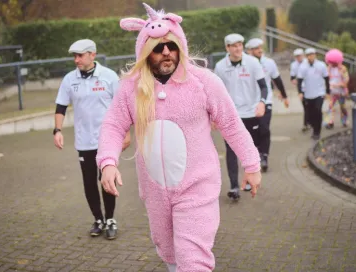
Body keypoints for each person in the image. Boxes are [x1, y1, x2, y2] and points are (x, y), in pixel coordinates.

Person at [96, 3, 262, 271]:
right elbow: (113, 125)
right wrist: (107, 162)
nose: (166, 52)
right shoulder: (132, 87)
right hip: (155, 191)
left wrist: (252, 165)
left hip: (197, 187)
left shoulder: (203, 81)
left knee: (193, 258)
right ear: (145, 52)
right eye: (158, 48)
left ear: (180, 47)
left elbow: (231, 123)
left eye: (171, 46)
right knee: (169, 252)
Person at [53, 39, 131, 239]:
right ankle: (98, 219)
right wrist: (57, 130)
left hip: (108, 141)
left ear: (92, 55)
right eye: (74, 56)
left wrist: (127, 133)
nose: (76, 60)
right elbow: (61, 106)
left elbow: (122, 106)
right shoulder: (70, 79)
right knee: (89, 183)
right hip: (84, 141)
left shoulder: (109, 76)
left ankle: (111, 219)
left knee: (106, 180)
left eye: (80, 55)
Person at [213, 33, 268, 199]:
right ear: (227, 48)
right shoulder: (220, 66)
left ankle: (250, 177)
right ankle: (234, 187)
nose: (237, 49)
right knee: (231, 150)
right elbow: (215, 93)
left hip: (251, 113)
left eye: (240, 45)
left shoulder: (253, 63)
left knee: (250, 147)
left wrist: (262, 102)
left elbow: (264, 87)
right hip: (230, 115)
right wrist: (214, 115)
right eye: (233, 46)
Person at [245, 37, 289, 172]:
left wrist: (284, 95)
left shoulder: (269, 63)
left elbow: (277, 79)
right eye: (256, 48)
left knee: (264, 128)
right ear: (250, 51)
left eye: (260, 48)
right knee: (253, 131)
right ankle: (256, 153)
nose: (259, 50)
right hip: (249, 103)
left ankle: (264, 156)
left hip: (266, 100)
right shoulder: (245, 63)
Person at [297, 48, 330, 140]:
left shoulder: (321, 65)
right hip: (308, 94)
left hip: (319, 93)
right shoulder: (303, 67)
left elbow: (326, 78)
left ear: (315, 55)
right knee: (310, 114)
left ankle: (317, 132)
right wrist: (300, 92)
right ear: (307, 56)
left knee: (318, 111)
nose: (311, 57)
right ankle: (313, 125)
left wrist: (328, 91)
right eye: (309, 55)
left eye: (313, 54)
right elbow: (299, 80)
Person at [323, 49, 350, 129]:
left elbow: (346, 80)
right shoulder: (329, 68)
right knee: (330, 106)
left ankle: (344, 121)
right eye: (330, 62)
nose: (332, 64)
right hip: (332, 92)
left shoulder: (343, 68)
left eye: (333, 62)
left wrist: (341, 84)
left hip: (341, 92)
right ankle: (330, 122)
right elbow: (326, 78)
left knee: (343, 107)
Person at [290, 48, 310, 132]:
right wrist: (294, 80)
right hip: (301, 88)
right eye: (297, 56)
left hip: (310, 87)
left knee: (311, 106)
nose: (298, 58)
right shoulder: (294, 65)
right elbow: (292, 77)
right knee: (305, 106)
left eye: (300, 56)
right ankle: (306, 124)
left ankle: (310, 122)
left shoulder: (308, 63)